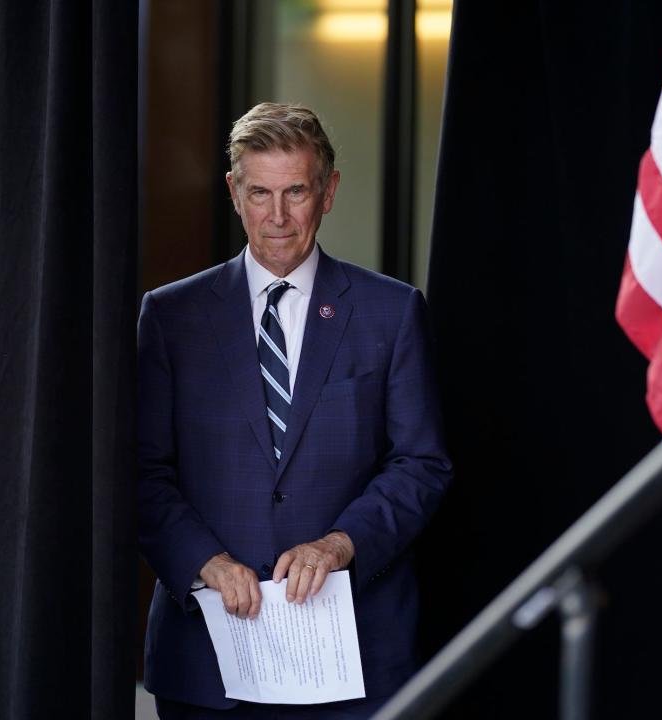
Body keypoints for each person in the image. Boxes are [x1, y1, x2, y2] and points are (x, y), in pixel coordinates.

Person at [138, 102, 452, 718]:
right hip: (208, 655)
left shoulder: (392, 312)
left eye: (295, 192)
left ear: (328, 191)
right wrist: (206, 562)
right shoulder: (171, 317)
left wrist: (340, 543)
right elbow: (141, 470)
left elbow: (422, 463)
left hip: (354, 658)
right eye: (259, 192)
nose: (277, 217)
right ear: (234, 192)